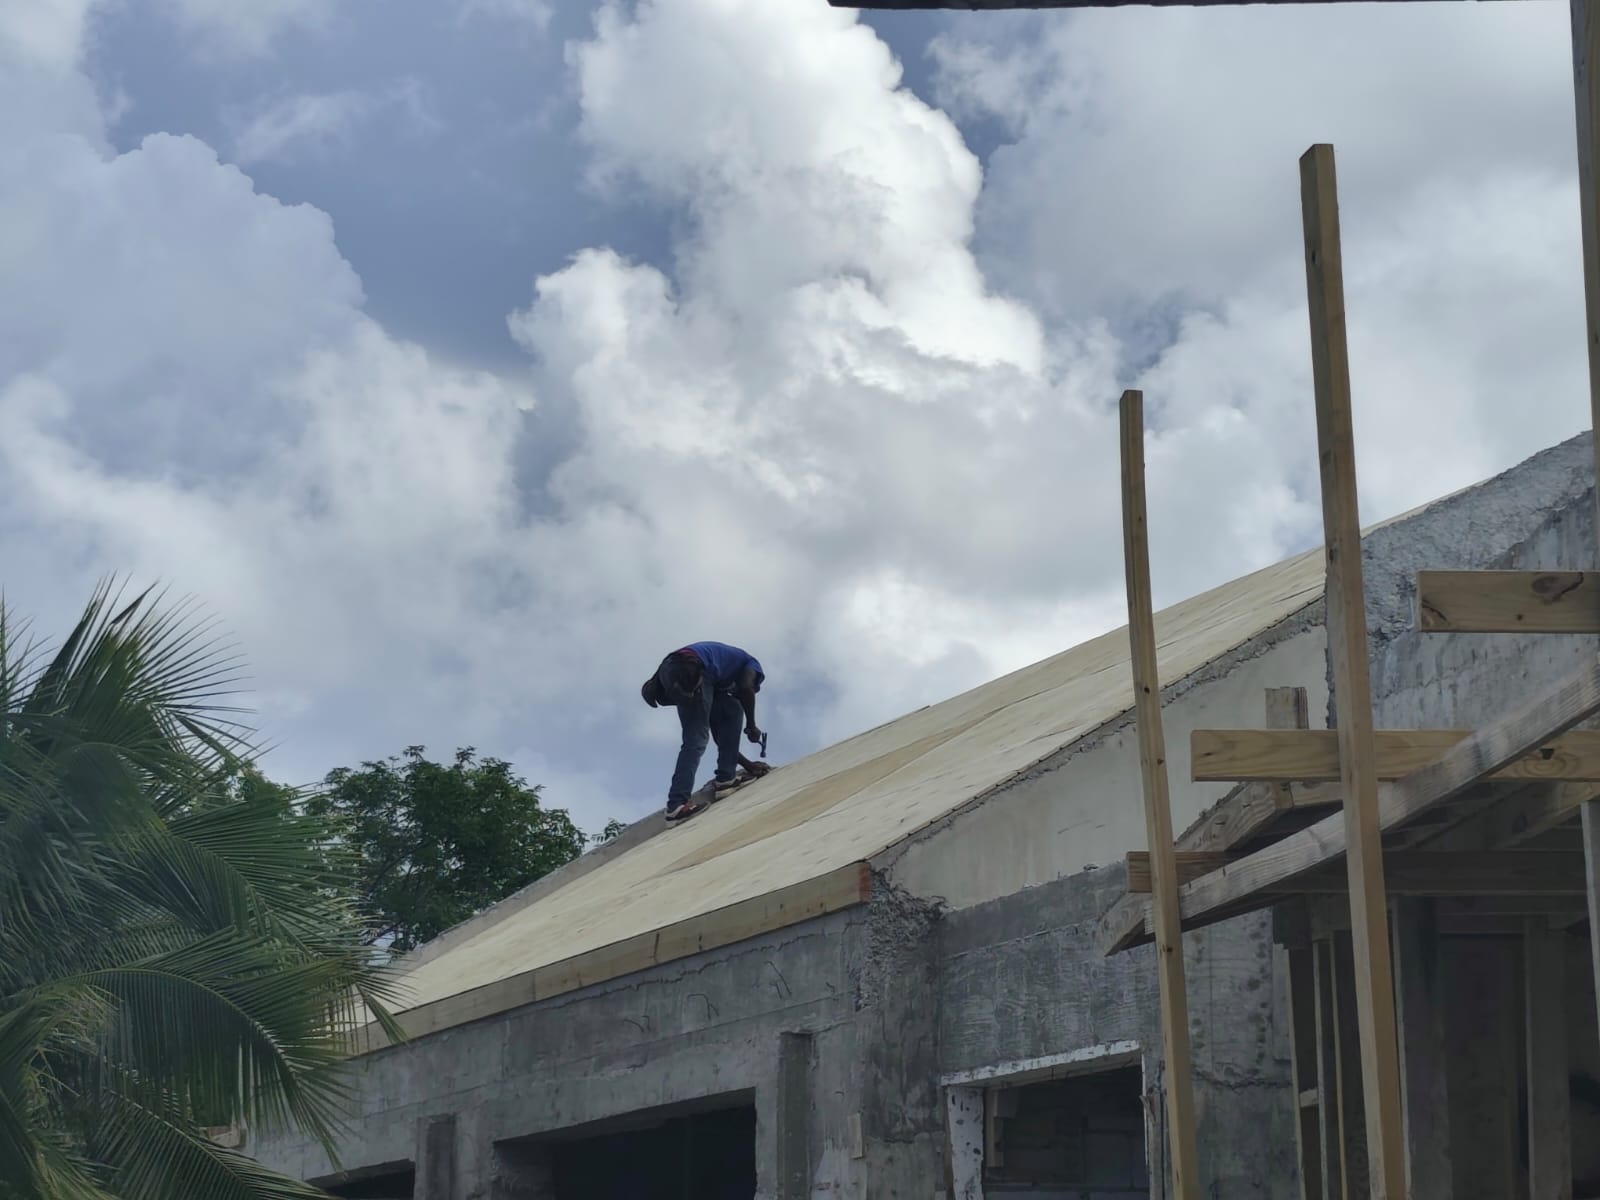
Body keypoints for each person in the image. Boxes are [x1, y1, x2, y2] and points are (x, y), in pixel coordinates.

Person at [641, 641, 769, 820]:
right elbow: (747, 688)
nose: (740, 694)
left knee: (731, 710)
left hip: (679, 669)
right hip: (690, 669)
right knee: (696, 740)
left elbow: (721, 738)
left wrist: (748, 766)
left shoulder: (720, 679)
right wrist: (752, 725)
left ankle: (726, 779)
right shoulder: (750, 664)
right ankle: (676, 805)